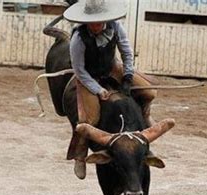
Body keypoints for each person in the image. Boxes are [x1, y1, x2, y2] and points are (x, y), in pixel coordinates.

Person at [63, 0, 157, 180]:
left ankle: (144, 116)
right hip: (88, 75)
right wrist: (97, 89)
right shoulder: (78, 38)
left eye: (99, 22)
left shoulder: (116, 27)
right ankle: (80, 152)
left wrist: (128, 77)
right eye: (92, 23)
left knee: (150, 93)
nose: (96, 26)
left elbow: (127, 52)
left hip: (112, 67)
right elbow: (79, 70)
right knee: (88, 119)